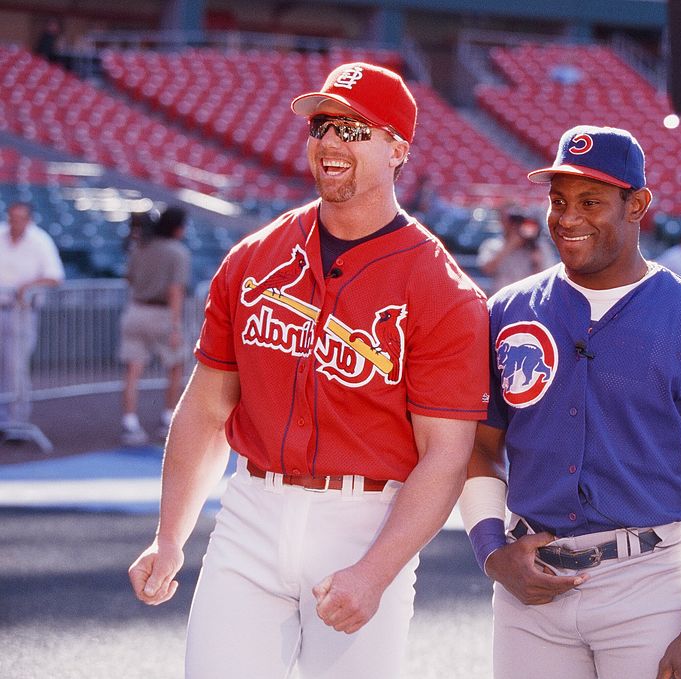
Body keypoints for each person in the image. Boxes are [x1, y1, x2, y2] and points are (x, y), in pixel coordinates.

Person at [127, 62, 489, 679]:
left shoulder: (442, 289)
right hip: (252, 509)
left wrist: (376, 572)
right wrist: (170, 537)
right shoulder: (253, 258)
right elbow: (207, 408)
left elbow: (445, 456)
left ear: (398, 148)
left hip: (367, 519)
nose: (330, 141)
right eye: (322, 126)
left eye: (354, 129)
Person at [457, 125, 681, 679]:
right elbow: (478, 447)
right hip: (529, 588)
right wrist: (491, 551)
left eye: (590, 202)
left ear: (638, 205)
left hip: (647, 585)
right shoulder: (507, 310)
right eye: (558, 201)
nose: (568, 217)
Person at [118, 206, 191, 446]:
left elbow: (129, 278)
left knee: (132, 371)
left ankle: (129, 423)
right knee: (175, 366)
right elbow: (175, 290)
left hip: (136, 309)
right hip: (161, 314)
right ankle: (168, 418)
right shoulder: (177, 252)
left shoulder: (140, 248)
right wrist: (176, 326)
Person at [0, 201, 64, 435]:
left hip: (21, 313)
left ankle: (15, 422)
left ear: (28, 219)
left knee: (15, 368)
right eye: (11, 217)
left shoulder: (40, 241)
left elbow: (55, 277)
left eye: (19, 218)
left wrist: (28, 286)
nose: (14, 222)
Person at [477, 208, 557, 295]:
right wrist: (510, 245)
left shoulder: (539, 247)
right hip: (503, 297)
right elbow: (487, 269)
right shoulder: (493, 244)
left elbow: (549, 276)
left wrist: (536, 259)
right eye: (513, 223)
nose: (516, 227)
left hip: (530, 297)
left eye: (519, 224)